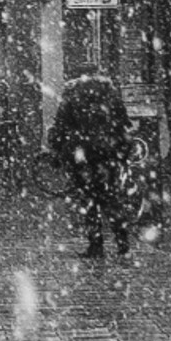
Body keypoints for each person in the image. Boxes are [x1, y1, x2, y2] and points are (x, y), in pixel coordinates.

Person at [47, 74, 134, 259]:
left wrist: (57, 150)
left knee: (89, 201)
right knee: (112, 199)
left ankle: (96, 245)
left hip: (83, 156)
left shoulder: (72, 94)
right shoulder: (110, 94)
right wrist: (122, 152)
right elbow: (124, 124)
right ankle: (123, 243)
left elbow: (61, 125)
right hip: (108, 155)